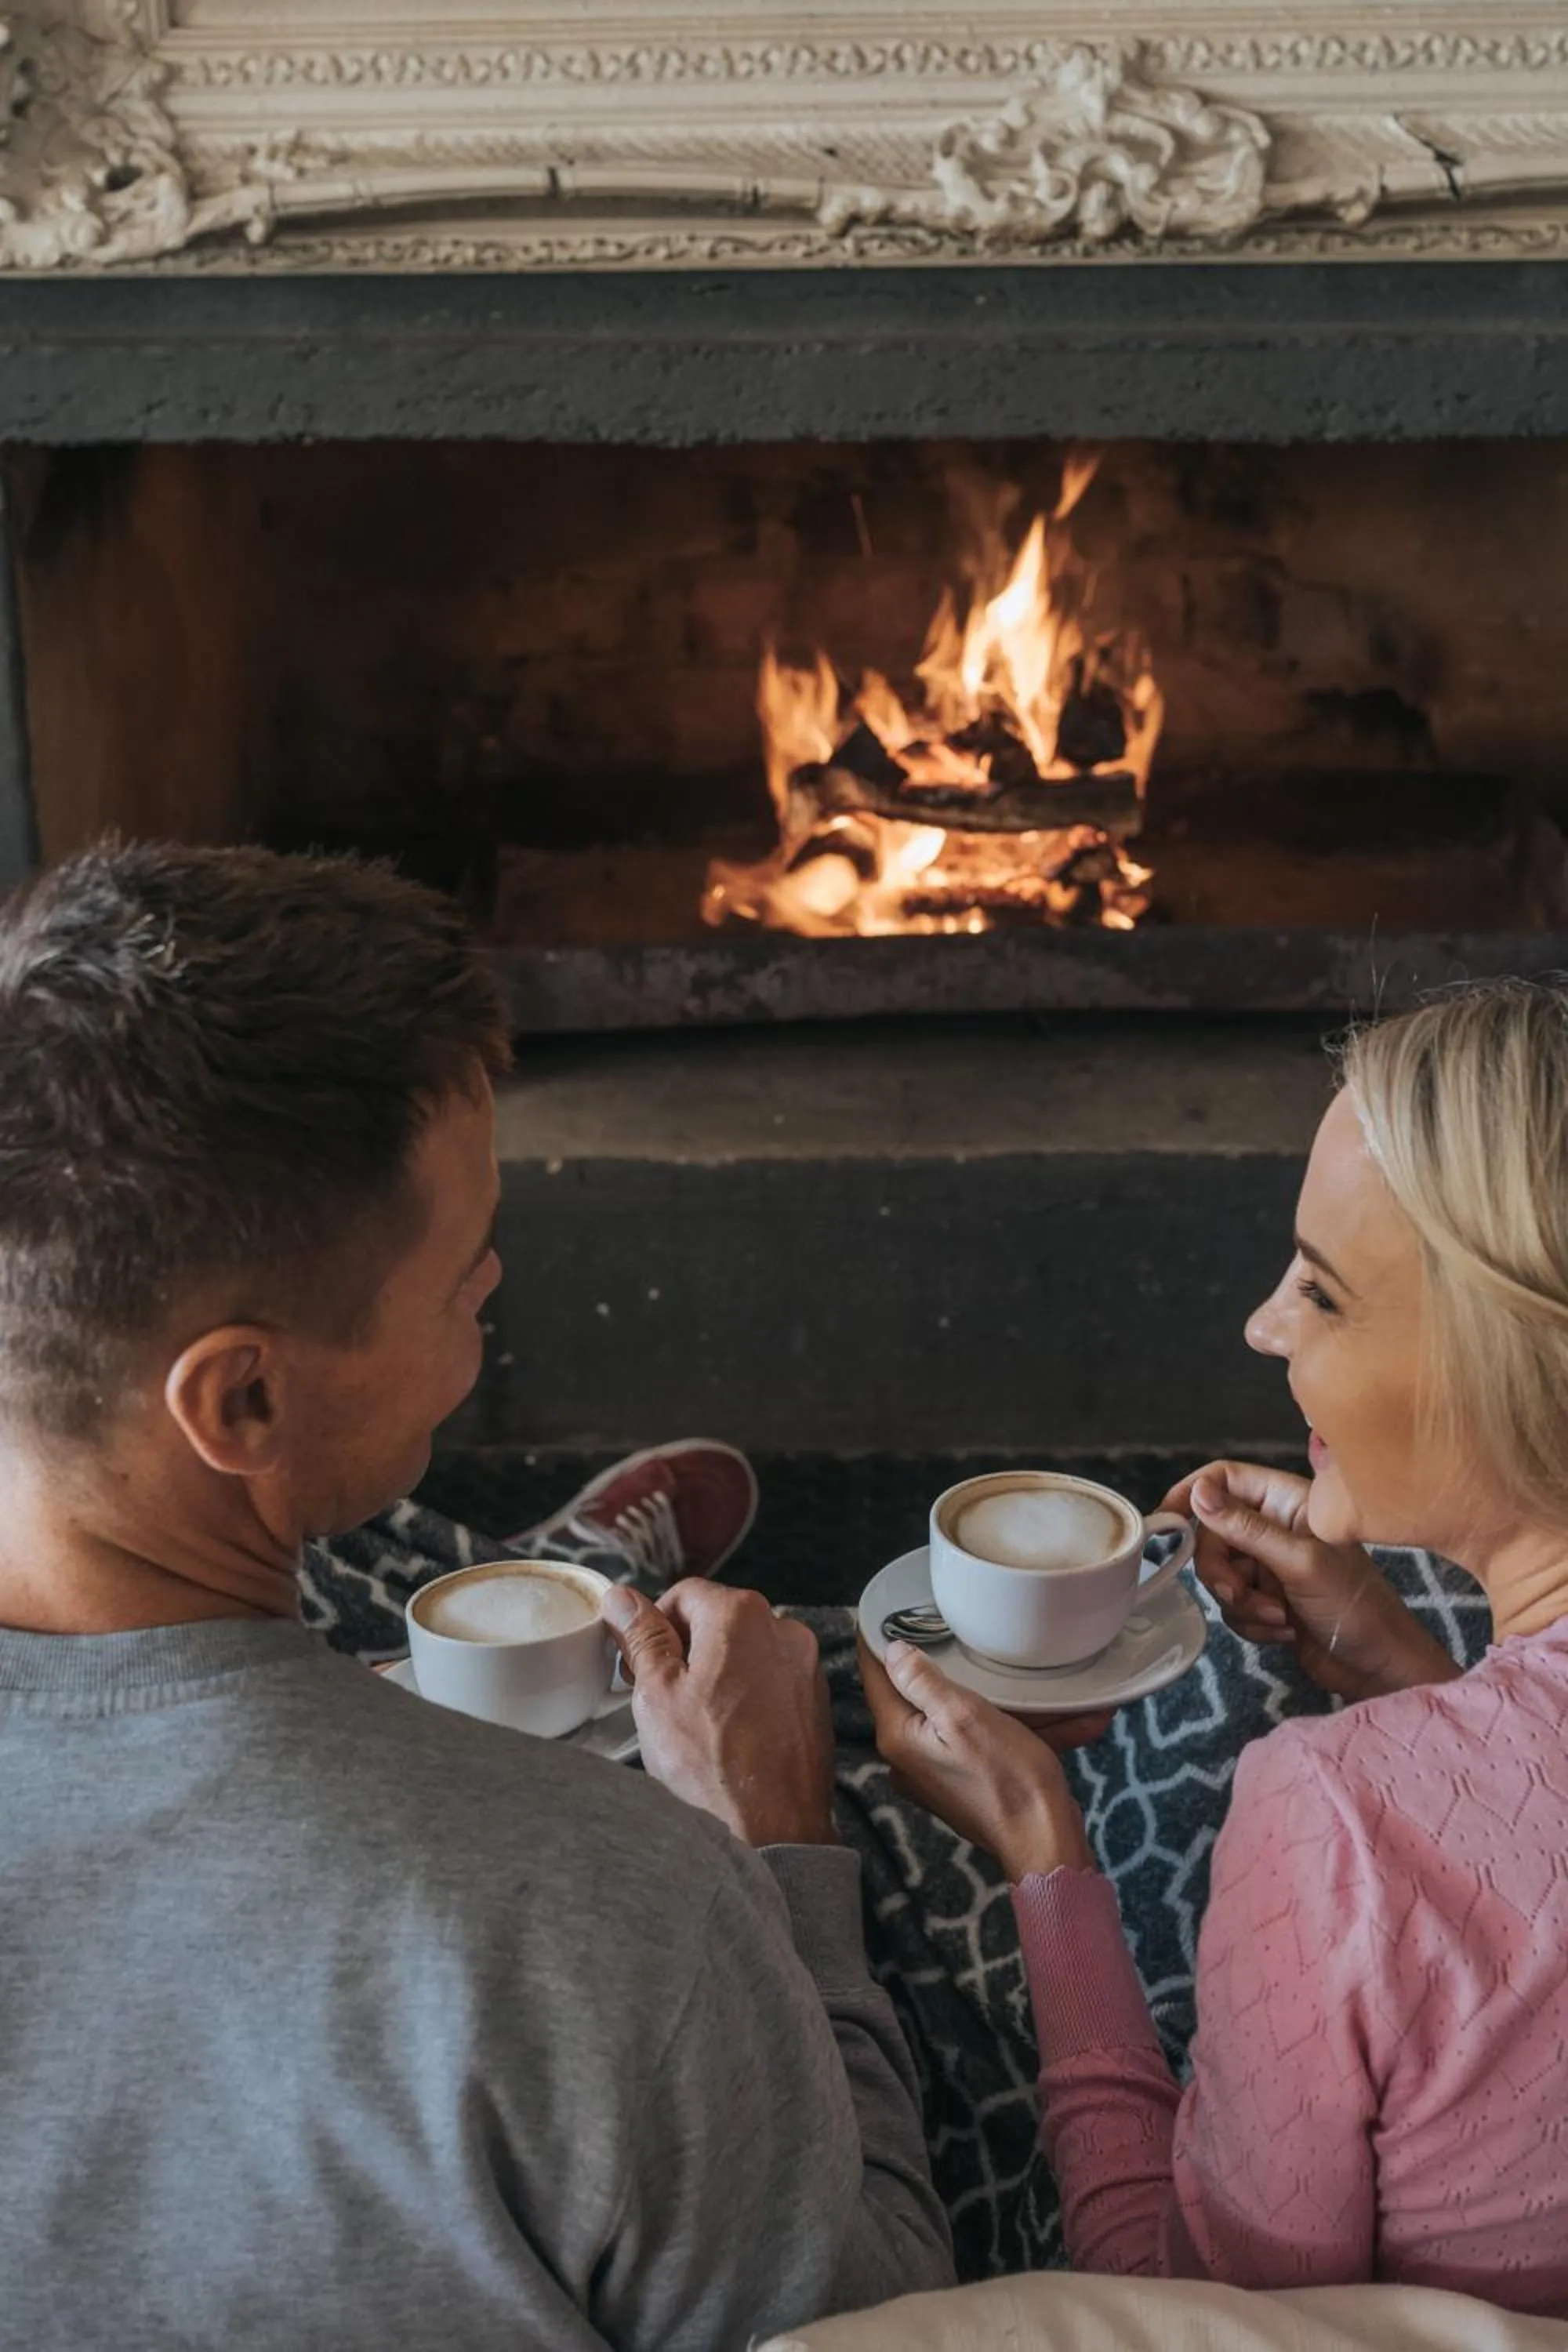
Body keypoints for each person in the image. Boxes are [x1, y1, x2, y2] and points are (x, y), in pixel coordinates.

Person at [0, 840, 953, 2352]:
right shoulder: (622, 1916)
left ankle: (564, 1558)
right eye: (464, 1283)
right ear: (243, 1399)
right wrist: (779, 1862)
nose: (497, 1282)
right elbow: (887, 2329)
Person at [866, 978, 1568, 2317]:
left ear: (1501, 1360)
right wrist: (1395, 1662)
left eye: (1324, 1293)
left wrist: (1042, 1849)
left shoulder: (1334, 1813)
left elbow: (1187, 2310)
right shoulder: (1371, 1801)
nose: (1263, 1325)